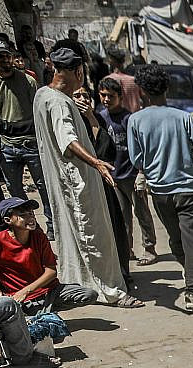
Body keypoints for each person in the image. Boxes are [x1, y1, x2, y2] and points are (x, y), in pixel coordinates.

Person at [33, 48, 140, 308]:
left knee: (76, 236)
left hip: (65, 182)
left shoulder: (42, 94)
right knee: (93, 236)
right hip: (77, 183)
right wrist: (96, 163)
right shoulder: (58, 102)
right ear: (78, 72)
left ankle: (81, 285)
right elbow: (67, 140)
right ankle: (112, 292)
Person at [127, 63, 193, 314]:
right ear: (167, 89)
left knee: (176, 240)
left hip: (160, 192)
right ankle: (192, 291)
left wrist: (153, 167)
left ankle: (191, 278)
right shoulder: (183, 117)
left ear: (142, 91)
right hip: (188, 190)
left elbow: (136, 158)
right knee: (192, 241)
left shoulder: (135, 121)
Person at [0, 197, 98, 313]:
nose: (30, 218)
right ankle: (36, 312)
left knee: (89, 294)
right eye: (23, 215)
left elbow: (51, 272)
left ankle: (41, 310)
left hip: (48, 291)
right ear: (8, 220)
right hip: (19, 298)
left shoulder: (39, 236)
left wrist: (26, 291)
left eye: (31, 213)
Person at [0, 39, 53, 235]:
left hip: (30, 142)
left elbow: (38, 112)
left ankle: (52, 225)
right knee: (15, 190)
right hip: (6, 145)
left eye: (7, 56)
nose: (5, 60)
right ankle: (29, 226)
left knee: (44, 186)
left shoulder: (28, 81)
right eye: (0, 57)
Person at [72, 87, 131, 286]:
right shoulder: (69, 123)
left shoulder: (98, 119)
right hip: (82, 185)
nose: (82, 99)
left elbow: (106, 150)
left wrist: (91, 118)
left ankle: (121, 273)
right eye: (77, 96)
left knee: (114, 228)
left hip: (103, 183)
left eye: (85, 96)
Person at [96, 79, 158, 266]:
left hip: (131, 174)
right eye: (103, 95)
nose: (106, 99)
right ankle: (126, 249)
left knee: (142, 213)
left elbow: (141, 146)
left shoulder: (129, 119)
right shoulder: (100, 118)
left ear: (120, 97)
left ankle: (149, 248)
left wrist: (142, 172)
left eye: (111, 96)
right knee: (122, 217)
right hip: (113, 176)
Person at [102, 47, 141, 112]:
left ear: (112, 61)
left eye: (110, 59)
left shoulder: (108, 80)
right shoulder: (134, 80)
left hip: (116, 116)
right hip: (135, 115)